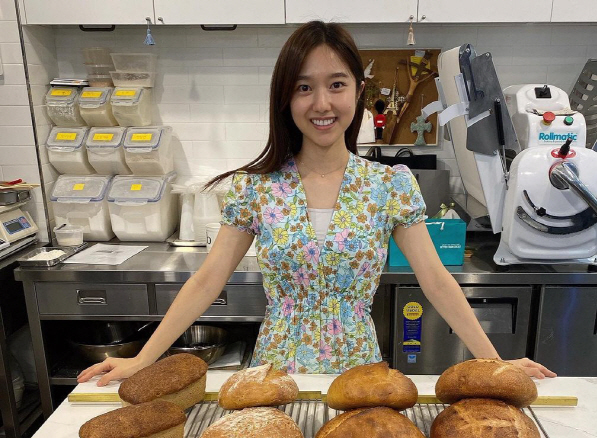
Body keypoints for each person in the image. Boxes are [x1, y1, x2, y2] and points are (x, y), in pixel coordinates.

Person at [78, 21, 554, 387]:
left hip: (360, 375)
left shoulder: (389, 186)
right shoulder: (256, 188)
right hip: (275, 376)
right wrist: (144, 359)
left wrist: (495, 364)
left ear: (359, 92)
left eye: (336, 84)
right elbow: (207, 280)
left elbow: (436, 280)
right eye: (304, 87)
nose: (321, 103)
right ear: (286, 99)